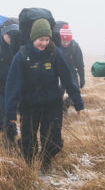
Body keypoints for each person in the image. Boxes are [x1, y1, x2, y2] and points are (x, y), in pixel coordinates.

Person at [5, 18, 84, 171]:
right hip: (29, 106)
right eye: (41, 40)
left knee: (54, 142)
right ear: (33, 38)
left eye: (47, 39)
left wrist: (78, 101)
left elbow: (68, 79)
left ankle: (46, 162)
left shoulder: (55, 54)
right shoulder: (22, 56)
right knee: (29, 143)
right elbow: (12, 85)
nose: (44, 43)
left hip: (52, 105)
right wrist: (10, 112)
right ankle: (28, 168)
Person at [59, 24, 85, 111]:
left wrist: (82, 78)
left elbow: (80, 64)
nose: (66, 43)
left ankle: (64, 106)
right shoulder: (56, 47)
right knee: (58, 94)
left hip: (71, 73)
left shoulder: (75, 47)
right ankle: (59, 110)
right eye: (63, 40)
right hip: (58, 73)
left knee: (75, 93)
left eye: (67, 41)